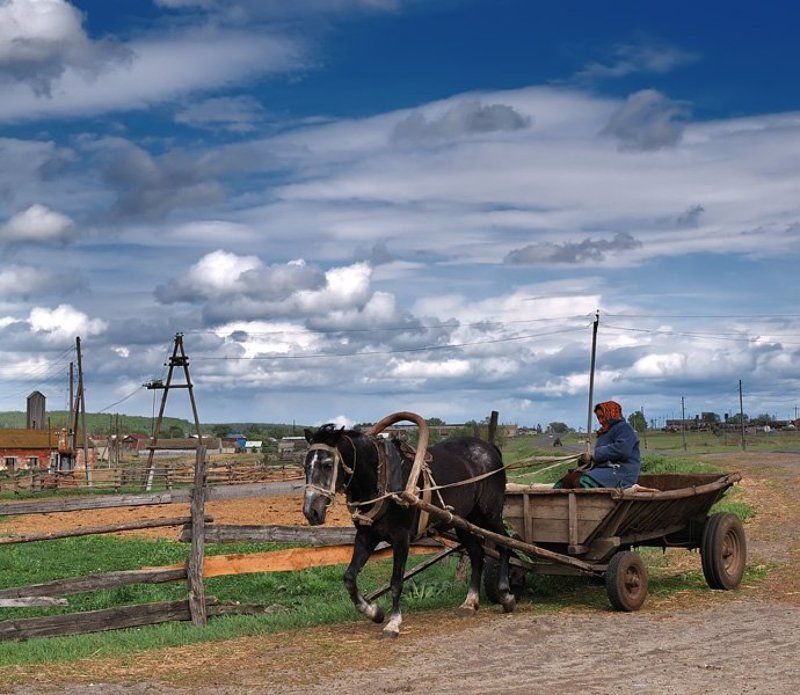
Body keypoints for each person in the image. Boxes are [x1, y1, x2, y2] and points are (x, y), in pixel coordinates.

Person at [556, 400, 641, 489]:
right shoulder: (604, 433)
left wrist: (595, 454)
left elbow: (622, 450)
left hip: (621, 473)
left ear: (611, 414)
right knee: (568, 479)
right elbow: (598, 458)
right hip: (604, 470)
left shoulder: (624, 428)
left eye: (602, 417)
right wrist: (586, 460)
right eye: (598, 418)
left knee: (581, 482)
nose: (600, 421)